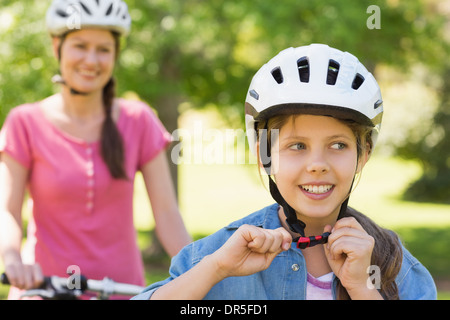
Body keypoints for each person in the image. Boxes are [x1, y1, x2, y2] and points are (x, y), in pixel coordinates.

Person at [132, 44, 437, 300]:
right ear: (264, 154)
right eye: (297, 146)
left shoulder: (395, 266)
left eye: (338, 145)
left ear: (363, 154)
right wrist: (216, 269)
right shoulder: (220, 253)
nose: (317, 164)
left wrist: (363, 289)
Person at [0, 0, 191, 299]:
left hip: (122, 290)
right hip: (44, 289)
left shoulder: (138, 120)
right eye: (80, 45)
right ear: (57, 47)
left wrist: (200, 271)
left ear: (115, 55)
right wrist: (13, 260)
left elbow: (167, 213)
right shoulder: (25, 122)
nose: (91, 59)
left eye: (103, 49)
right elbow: (7, 210)